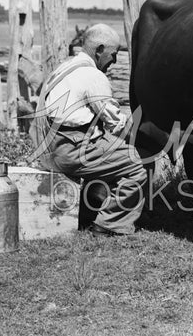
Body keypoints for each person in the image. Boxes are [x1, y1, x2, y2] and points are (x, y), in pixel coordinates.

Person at [32, 24, 147, 237]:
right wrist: (145, 138)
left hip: (47, 150)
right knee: (136, 166)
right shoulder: (93, 76)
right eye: (113, 55)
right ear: (100, 50)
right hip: (68, 152)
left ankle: (88, 213)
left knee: (109, 156)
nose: (113, 61)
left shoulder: (63, 68)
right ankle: (109, 225)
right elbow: (116, 123)